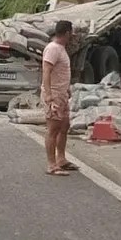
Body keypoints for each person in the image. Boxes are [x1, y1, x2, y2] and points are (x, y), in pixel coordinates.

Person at [41, 20, 77, 175]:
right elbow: (46, 71)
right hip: (54, 95)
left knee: (64, 126)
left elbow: (60, 72)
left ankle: (61, 159)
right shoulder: (53, 49)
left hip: (61, 94)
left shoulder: (61, 49)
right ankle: (51, 164)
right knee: (53, 129)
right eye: (71, 33)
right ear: (67, 33)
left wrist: (66, 89)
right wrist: (49, 95)